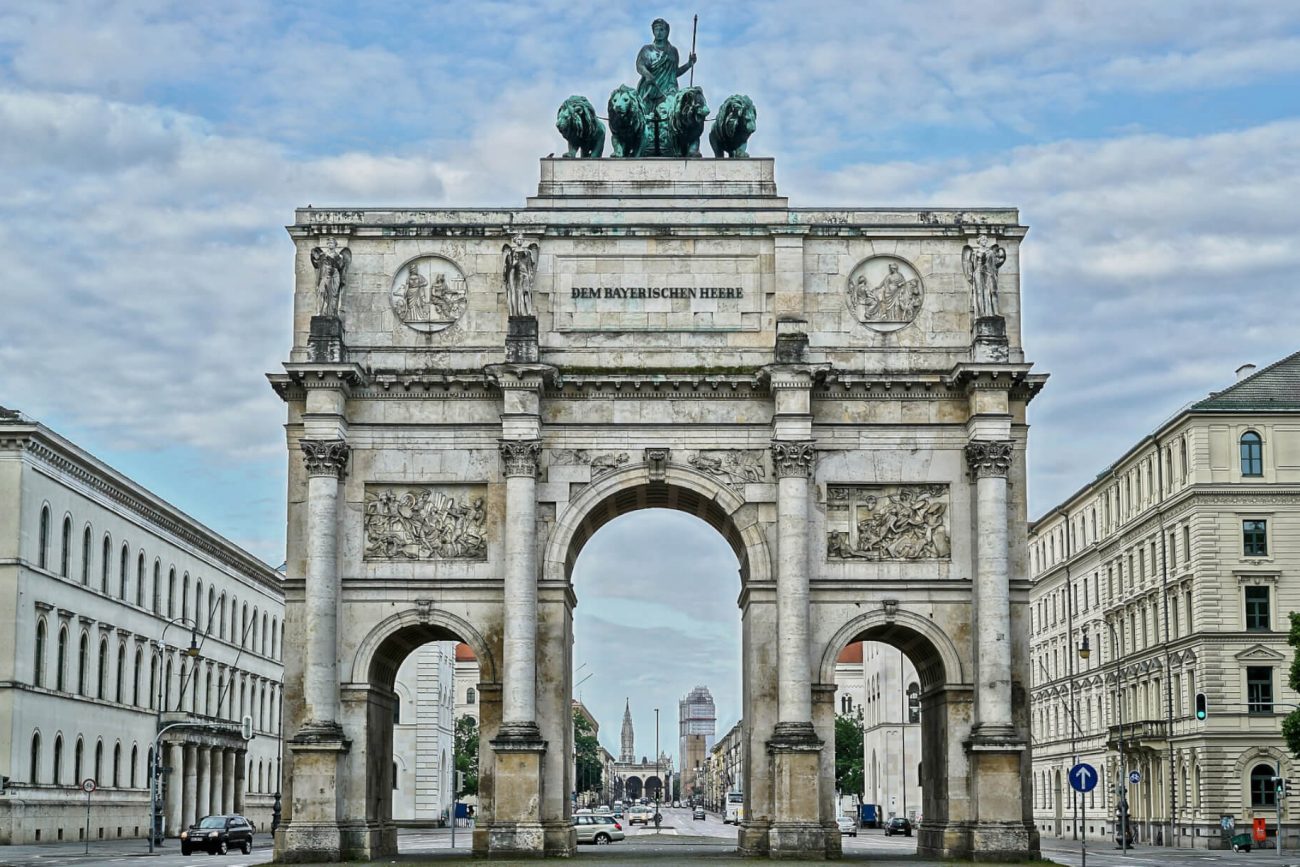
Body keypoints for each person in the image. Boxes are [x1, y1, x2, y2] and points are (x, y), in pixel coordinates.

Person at [636, 18, 696, 110]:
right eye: (656, 30)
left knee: (673, 111)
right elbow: (640, 66)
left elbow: (674, 73)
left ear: (667, 31)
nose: (659, 33)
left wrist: (689, 64)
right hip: (651, 88)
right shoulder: (647, 50)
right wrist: (647, 74)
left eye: (661, 30)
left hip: (669, 90)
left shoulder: (673, 51)